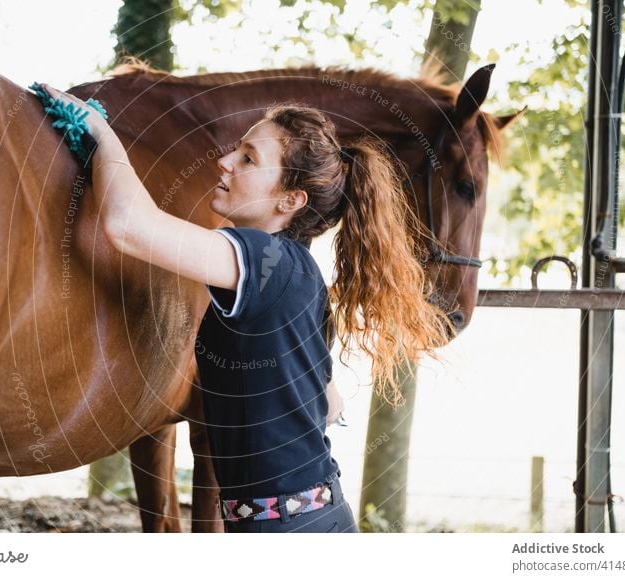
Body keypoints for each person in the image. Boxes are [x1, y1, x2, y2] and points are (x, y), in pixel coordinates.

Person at [40, 84, 451, 533]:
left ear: (290, 200)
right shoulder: (298, 274)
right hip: (305, 520)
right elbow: (330, 404)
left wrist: (102, 133)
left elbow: (128, 225)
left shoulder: (262, 259)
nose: (225, 161)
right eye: (237, 150)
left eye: (249, 159)